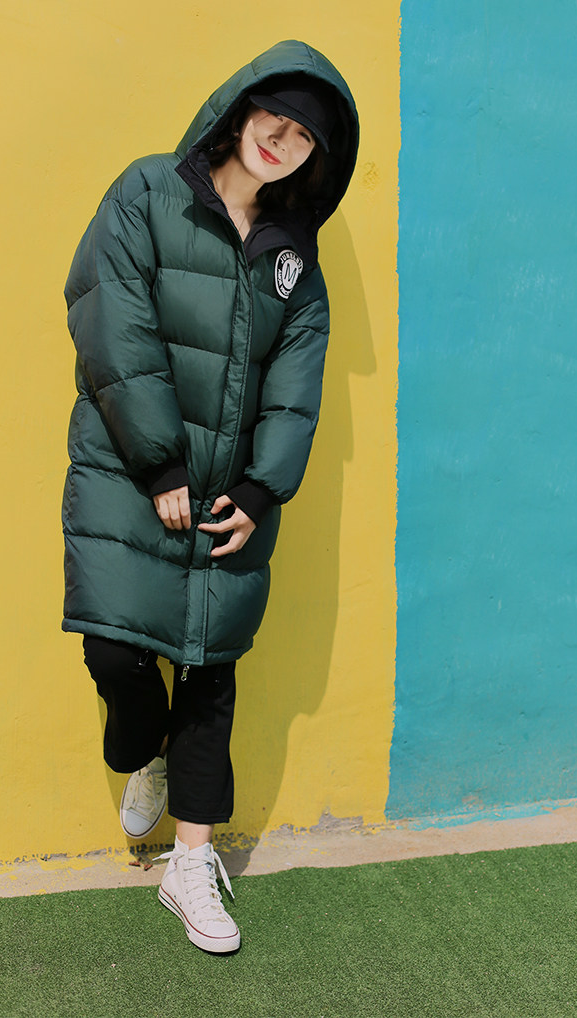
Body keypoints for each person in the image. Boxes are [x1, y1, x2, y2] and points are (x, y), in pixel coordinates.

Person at [62, 39, 359, 953]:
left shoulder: (294, 258)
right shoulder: (147, 192)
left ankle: (191, 863)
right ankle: (139, 752)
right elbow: (110, 317)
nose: (284, 139)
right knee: (117, 652)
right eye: (277, 116)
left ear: (315, 159)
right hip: (128, 471)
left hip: (230, 496)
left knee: (208, 667)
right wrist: (160, 465)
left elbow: (296, 382)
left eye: (306, 137)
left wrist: (264, 490)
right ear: (240, 109)